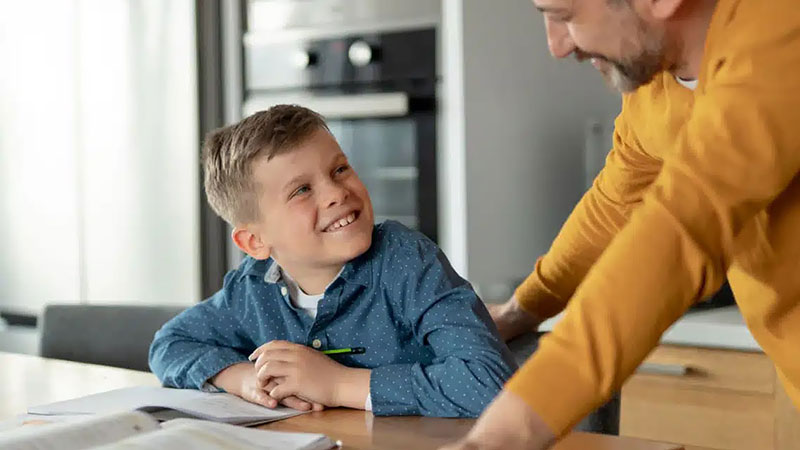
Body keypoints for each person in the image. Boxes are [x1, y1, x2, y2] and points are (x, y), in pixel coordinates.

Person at [444, 0, 800, 447]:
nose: (556, 46)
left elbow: (683, 231)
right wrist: (524, 307)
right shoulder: (657, 92)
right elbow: (614, 205)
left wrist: (503, 433)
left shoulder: (780, 30)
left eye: (564, 16)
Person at [148, 104, 515, 417]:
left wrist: (338, 385)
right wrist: (243, 378)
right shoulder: (251, 288)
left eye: (339, 169)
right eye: (302, 190)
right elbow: (170, 344)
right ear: (255, 241)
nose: (337, 193)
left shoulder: (407, 262)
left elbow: (490, 383)